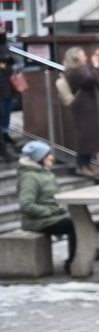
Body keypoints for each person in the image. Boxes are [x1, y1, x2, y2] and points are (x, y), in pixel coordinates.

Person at [18, 141, 75, 275]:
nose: (52, 157)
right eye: (48, 155)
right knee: (74, 225)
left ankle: (79, 260)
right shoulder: (29, 177)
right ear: (39, 158)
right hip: (36, 221)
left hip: (49, 217)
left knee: (81, 221)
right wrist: (49, 211)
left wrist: (57, 209)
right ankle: (73, 263)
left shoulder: (43, 172)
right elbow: (26, 205)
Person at [63, 46, 99, 180]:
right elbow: (92, 80)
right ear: (75, 58)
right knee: (85, 138)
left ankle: (86, 165)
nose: (85, 57)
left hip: (89, 108)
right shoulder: (73, 72)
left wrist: (96, 63)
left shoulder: (81, 69)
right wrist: (96, 65)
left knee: (90, 138)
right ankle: (81, 166)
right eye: (82, 55)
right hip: (83, 108)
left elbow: (92, 77)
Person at [0, 26, 19, 162]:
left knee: (5, 113)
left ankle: (4, 138)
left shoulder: (3, 43)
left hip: (6, 83)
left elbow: (11, 59)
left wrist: (6, 62)